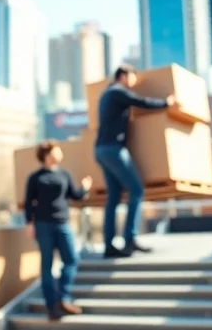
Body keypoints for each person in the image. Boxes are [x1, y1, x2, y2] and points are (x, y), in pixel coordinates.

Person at [93, 64, 176, 258]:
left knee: (113, 196)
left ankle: (109, 245)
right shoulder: (117, 92)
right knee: (136, 189)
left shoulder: (106, 94)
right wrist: (167, 103)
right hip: (113, 149)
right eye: (132, 77)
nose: (133, 83)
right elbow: (141, 102)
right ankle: (130, 239)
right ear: (122, 75)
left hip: (101, 150)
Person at [24, 140, 93, 320]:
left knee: (71, 259)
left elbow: (75, 195)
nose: (60, 153)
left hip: (62, 223)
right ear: (47, 155)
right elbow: (28, 203)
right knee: (47, 265)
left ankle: (63, 297)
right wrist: (29, 223)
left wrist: (85, 187)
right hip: (43, 224)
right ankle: (51, 306)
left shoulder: (65, 174)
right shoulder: (36, 177)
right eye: (57, 151)